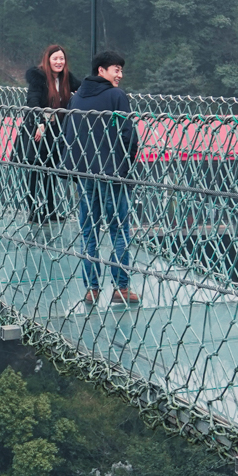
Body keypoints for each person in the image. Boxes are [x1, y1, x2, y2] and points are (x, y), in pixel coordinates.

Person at [61, 50, 140, 306]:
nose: (120, 75)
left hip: (85, 173)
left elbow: (69, 134)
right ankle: (121, 287)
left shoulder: (76, 98)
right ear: (101, 71)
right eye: (116, 69)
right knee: (119, 230)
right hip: (112, 173)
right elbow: (129, 134)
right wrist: (125, 167)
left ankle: (91, 289)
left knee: (89, 231)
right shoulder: (116, 96)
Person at [19, 44, 73, 223]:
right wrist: (40, 122)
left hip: (55, 131)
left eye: (61, 58)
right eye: (55, 58)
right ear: (47, 60)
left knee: (51, 170)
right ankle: (34, 211)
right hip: (37, 130)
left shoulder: (66, 78)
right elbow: (32, 101)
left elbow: (83, 89)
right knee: (35, 170)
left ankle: (50, 209)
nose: (59, 62)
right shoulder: (39, 78)